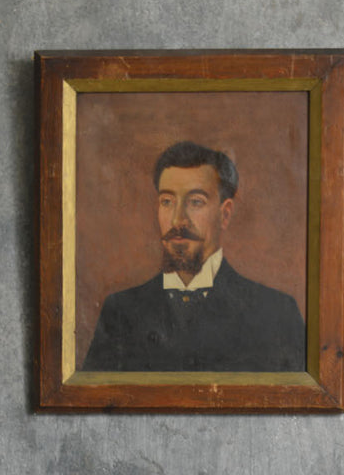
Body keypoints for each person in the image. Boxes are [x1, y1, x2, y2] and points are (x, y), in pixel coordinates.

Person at [82, 141, 306, 372]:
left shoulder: (275, 313)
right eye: (167, 202)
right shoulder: (120, 312)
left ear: (225, 214)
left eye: (195, 202)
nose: (178, 220)